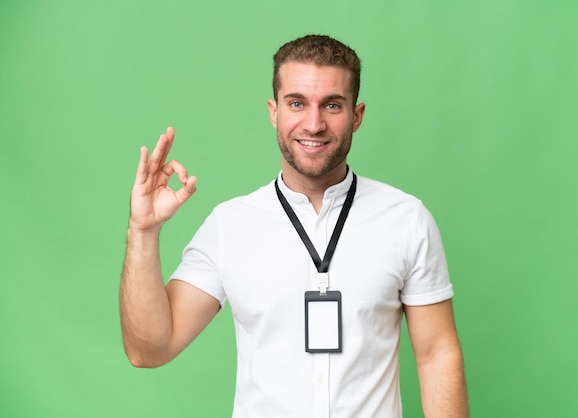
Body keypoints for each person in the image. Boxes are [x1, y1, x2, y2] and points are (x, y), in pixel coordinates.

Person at [120, 34, 468, 417]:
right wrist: (143, 231)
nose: (314, 124)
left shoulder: (406, 219)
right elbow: (149, 350)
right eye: (297, 103)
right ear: (274, 112)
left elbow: (437, 354)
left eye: (332, 105)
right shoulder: (229, 225)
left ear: (357, 114)